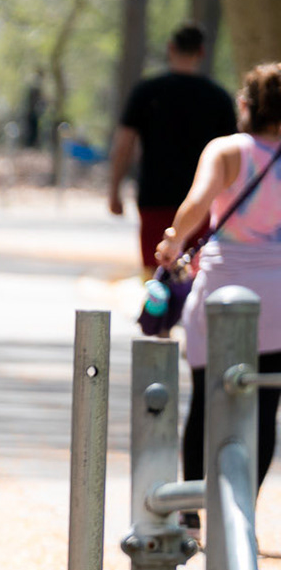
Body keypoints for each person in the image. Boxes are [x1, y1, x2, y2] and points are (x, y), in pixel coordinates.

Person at [155, 63, 281, 492]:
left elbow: (197, 203)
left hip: (222, 287)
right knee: (265, 405)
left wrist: (173, 242)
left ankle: (191, 509)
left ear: (244, 105)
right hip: (277, 299)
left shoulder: (227, 151)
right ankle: (241, 508)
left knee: (207, 401)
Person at [111, 25, 239, 274]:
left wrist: (114, 191)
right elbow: (234, 154)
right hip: (203, 203)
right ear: (201, 52)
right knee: (197, 273)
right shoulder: (218, 98)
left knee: (155, 274)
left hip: (154, 197)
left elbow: (123, 145)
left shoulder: (146, 92)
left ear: (170, 48)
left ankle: (157, 313)